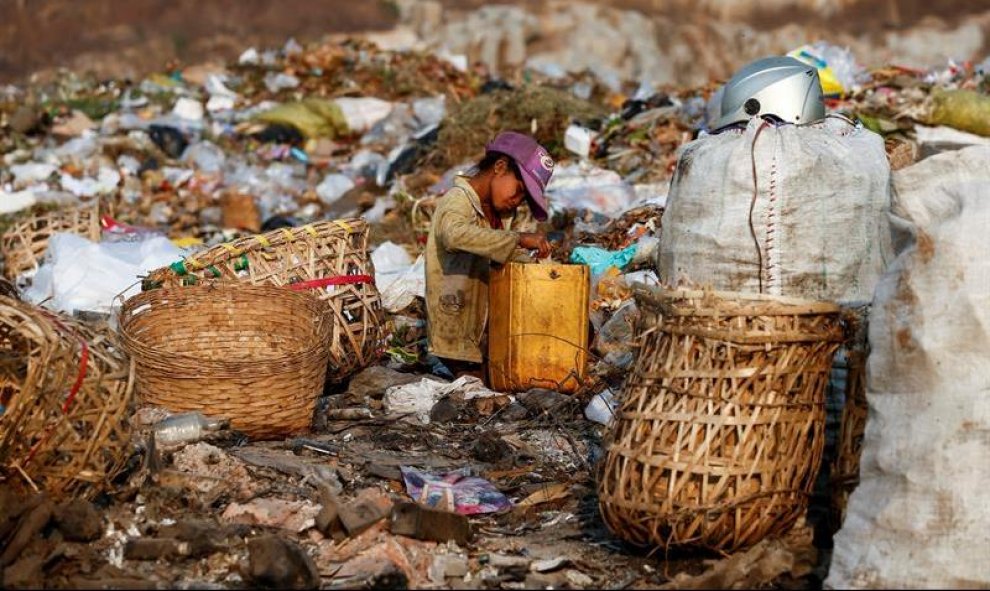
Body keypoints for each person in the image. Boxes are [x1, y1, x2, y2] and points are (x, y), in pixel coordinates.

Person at [425, 131, 555, 378]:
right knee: (482, 388)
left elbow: (497, 252)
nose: (516, 202)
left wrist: (538, 267)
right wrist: (517, 238)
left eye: (523, 199)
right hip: (454, 327)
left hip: (483, 328)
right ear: (499, 166)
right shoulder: (458, 200)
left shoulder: (500, 215)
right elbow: (453, 235)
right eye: (518, 190)